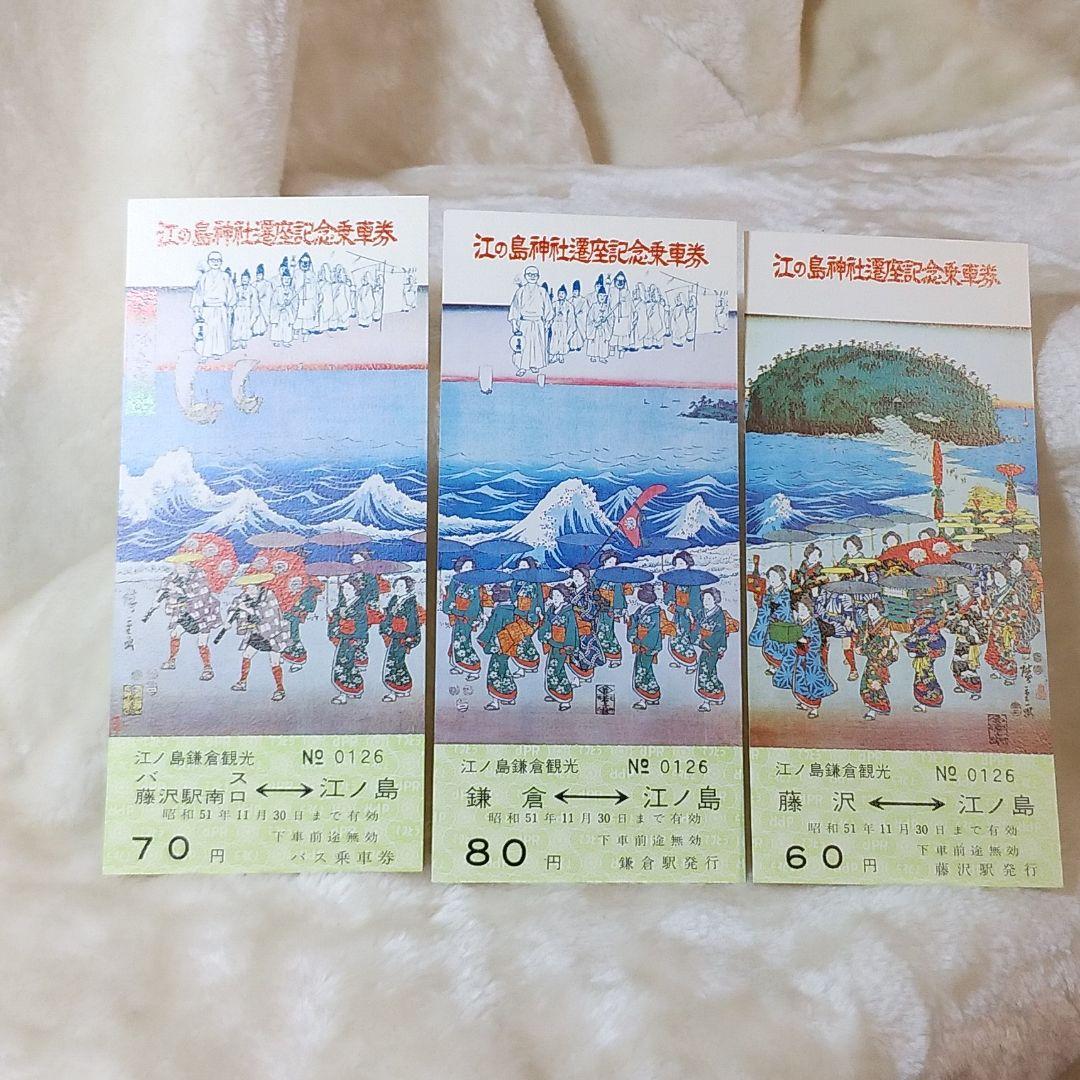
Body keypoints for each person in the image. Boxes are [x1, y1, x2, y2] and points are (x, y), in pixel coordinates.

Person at [155, 554, 222, 682]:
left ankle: (207, 668)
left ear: (189, 565)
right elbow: (164, 587)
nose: (179, 569)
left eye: (182, 566)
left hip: (204, 614)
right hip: (187, 614)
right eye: (177, 566)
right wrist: (158, 599)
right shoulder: (174, 577)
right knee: (175, 633)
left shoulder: (199, 576)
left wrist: (181, 591)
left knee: (202, 643)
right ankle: (172, 660)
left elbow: (201, 595)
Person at [228, 573, 289, 701]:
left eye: (251, 588)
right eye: (247, 588)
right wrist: (229, 620)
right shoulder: (246, 597)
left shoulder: (269, 596)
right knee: (247, 655)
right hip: (257, 633)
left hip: (273, 634)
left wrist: (248, 610)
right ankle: (242, 682)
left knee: (275, 662)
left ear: (258, 587)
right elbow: (235, 605)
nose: (248, 591)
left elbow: (268, 616)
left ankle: (280, 689)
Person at [787, 598, 836, 718]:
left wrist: (805, 641)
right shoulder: (799, 622)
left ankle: (814, 708)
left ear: (809, 610)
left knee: (812, 681)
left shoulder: (813, 623)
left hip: (811, 659)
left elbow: (816, 641)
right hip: (801, 656)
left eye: (804, 609)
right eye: (800, 609)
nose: (801, 611)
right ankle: (804, 703)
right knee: (800, 679)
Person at [853, 599, 898, 719]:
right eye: (868, 610)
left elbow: (884, 643)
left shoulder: (884, 624)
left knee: (873, 683)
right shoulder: (867, 624)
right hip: (871, 658)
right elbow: (862, 637)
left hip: (880, 658)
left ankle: (875, 709)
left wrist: (865, 649)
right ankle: (880, 707)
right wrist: (859, 645)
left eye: (873, 609)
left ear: (879, 610)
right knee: (868, 683)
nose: (870, 612)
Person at [328, 576, 371, 704]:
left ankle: (344, 694)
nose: (345, 591)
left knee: (343, 664)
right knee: (350, 665)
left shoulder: (359, 605)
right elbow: (336, 617)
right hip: (344, 638)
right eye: (344, 589)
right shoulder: (344, 604)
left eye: (349, 589)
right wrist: (332, 614)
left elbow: (362, 624)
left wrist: (357, 640)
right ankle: (356, 689)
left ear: (355, 590)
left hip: (352, 638)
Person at [942, 581, 987, 699]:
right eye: (958, 591)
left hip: (970, 640)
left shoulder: (974, 605)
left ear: (968, 591)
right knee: (957, 664)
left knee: (970, 666)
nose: (960, 593)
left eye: (963, 590)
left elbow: (979, 623)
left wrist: (977, 636)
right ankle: (961, 685)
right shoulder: (957, 606)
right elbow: (950, 625)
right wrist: (947, 612)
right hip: (960, 641)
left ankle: (975, 691)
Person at [477, 583, 518, 710]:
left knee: (494, 671)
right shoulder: (512, 609)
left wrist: (484, 634)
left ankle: (496, 701)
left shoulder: (499, 611)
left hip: (498, 644)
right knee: (504, 669)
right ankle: (509, 696)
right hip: (509, 644)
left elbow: (493, 627)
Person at [539, 583, 579, 711]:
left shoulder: (568, 612)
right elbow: (545, 624)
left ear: (564, 597)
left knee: (555, 669)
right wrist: (544, 635)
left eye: (558, 595)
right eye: (554, 595)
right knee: (555, 669)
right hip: (552, 643)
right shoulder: (551, 609)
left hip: (562, 645)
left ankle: (565, 699)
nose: (555, 598)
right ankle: (556, 693)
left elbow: (571, 629)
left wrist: (568, 646)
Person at [442, 555, 483, 679]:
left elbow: (476, 602)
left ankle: (474, 669)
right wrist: (450, 607)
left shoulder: (475, 584)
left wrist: (468, 615)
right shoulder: (455, 581)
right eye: (466, 567)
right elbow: (450, 596)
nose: (468, 569)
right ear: (460, 568)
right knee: (456, 639)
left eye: (470, 567)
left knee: (464, 641)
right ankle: (458, 665)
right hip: (456, 614)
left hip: (467, 617)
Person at [381, 576, 421, 701]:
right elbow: (389, 614)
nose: (398, 588)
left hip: (403, 635)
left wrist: (409, 636)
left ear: (408, 588)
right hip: (394, 634)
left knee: (394, 661)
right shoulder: (394, 599)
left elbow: (412, 621)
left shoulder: (410, 602)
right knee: (398, 661)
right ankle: (404, 687)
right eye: (396, 585)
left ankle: (393, 691)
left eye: (401, 586)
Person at [508, 265, 553, 375]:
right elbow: (515, 308)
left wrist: (547, 322)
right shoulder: (521, 291)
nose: (532, 277)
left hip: (538, 322)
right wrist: (514, 324)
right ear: (525, 276)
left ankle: (534, 365)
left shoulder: (542, 291)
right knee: (524, 346)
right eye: (530, 274)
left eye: (535, 275)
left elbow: (548, 308)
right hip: (525, 323)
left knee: (537, 345)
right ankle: (522, 367)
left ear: (538, 276)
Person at [747, 565, 792, 675]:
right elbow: (763, 607)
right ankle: (773, 665)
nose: (772, 579)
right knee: (768, 646)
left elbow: (785, 609)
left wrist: (774, 615)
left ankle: (780, 666)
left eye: (774, 576)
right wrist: (759, 601)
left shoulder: (786, 593)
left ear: (781, 577)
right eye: (770, 576)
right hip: (769, 624)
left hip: (782, 624)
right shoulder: (768, 592)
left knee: (779, 646)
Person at [190, 250, 236, 358]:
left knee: (220, 331)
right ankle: (205, 354)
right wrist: (197, 308)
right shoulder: (204, 277)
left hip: (221, 308)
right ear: (208, 262)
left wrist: (230, 306)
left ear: (221, 262)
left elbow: (231, 292)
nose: (215, 262)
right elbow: (198, 293)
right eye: (213, 260)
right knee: (207, 331)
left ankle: (218, 352)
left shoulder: (225, 276)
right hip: (207, 309)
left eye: (218, 260)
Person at [663, 551, 703, 672]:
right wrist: (668, 593)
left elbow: (696, 600)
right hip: (678, 613)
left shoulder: (693, 581)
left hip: (688, 614)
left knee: (685, 638)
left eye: (681, 563)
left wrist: (691, 611)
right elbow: (668, 598)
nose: (678, 566)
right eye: (676, 564)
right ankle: (680, 661)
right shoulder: (674, 580)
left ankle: (691, 664)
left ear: (687, 564)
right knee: (675, 636)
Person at [984, 567, 1024, 686]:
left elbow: (1015, 610)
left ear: (1006, 578)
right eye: (996, 578)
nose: (998, 580)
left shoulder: (1011, 593)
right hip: (995, 628)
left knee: (1006, 651)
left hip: (1006, 628)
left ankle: (1010, 676)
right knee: (994, 651)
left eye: (1000, 577)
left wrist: (999, 614)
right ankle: (997, 671)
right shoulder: (994, 592)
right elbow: (988, 605)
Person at [566, 564, 604, 684]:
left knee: (586, 652)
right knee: (573, 653)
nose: (575, 578)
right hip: (572, 627)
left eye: (578, 575)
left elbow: (592, 611)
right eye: (574, 575)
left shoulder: (589, 592)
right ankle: (577, 677)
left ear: (585, 577)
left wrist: (578, 610)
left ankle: (586, 676)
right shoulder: (571, 591)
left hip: (584, 627)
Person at [693, 589, 729, 710]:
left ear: (715, 599)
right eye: (704, 599)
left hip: (714, 646)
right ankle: (718, 694)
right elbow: (696, 626)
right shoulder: (701, 612)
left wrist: (707, 642)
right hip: (704, 645)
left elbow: (719, 633)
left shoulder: (719, 615)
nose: (706, 602)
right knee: (710, 671)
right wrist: (697, 637)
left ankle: (706, 701)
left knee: (705, 671)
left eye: (709, 599)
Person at [627, 584, 663, 709]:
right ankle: (653, 696)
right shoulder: (642, 609)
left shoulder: (654, 613)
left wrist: (642, 643)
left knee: (642, 671)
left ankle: (644, 700)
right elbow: (634, 620)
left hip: (647, 646)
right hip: (641, 643)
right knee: (647, 670)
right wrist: (629, 619)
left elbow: (654, 632)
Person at [595, 550, 632, 666]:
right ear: (604, 562)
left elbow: (619, 595)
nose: (612, 565)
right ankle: (603, 655)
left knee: (607, 632)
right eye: (610, 562)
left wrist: (620, 610)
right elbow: (592, 587)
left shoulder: (616, 578)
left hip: (609, 609)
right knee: (598, 631)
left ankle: (615, 655)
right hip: (597, 607)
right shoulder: (598, 574)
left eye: (614, 563)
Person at [903, 612, 946, 711]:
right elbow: (909, 641)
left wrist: (923, 651)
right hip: (920, 658)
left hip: (926, 659)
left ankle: (931, 700)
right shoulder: (919, 630)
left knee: (925, 678)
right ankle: (923, 702)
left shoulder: (931, 631)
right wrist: (912, 648)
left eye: (921, 619)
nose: (918, 622)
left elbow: (939, 646)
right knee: (920, 678)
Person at [508, 558, 545, 674]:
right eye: (520, 566)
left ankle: (529, 664)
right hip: (519, 613)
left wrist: (540, 610)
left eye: (524, 566)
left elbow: (539, 596)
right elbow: (511, 592)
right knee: (521, 639)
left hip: (531, 614)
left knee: (524, 638)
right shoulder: (516, 581)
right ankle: (529, 664)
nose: (522, 568)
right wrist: (514, 601)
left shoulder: (535, 581)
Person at [281, 575, 323, 672]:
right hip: (288, 617)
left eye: (298, 584)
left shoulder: (308, 592)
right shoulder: (288, 591)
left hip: (295, 619)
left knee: (293, 637)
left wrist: (299, 609)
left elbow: (310, 607)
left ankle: (297, 660)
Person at [548, 284, 577, 364]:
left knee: (562, 339)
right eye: (559, 293)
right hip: (555, 324)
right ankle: (554, 355)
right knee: (554, 339)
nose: (561, 295)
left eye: (563, 293)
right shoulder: (554, 304)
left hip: (564, 324)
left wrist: (570, 326)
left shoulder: (569, 305)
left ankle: (561, 355)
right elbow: (550, 314)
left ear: (566, 294)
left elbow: (571, 317)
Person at [293, 251, 320, 337]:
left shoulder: (312, 274)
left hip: (309, 300)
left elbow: (316, 288)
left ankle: (305, 330)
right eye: (303, 262)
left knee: (307, 316)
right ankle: (296, 331)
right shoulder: (296, 273)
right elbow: (293, 286)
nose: (305, 264)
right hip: (298, 299)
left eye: (307, 262)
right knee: (297, 316)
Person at [608, 271, 635, 357]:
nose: (620, 283)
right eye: (618, 281)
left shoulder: (627, 292)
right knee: (613, 337)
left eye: (622, 281)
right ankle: (611, 353)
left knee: (622, 338)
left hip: (624, 319)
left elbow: (631, 305)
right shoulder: (611, 291)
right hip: (614, 318)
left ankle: (621, 354)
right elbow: (608, 302)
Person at [269, 267, 298, 347]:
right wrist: (279, 307)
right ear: (282, 279)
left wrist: (289, 306)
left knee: (287, 327)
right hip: (278, 313)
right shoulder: (277, 290)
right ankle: (277, 340)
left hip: (288, 313)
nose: (286, 280)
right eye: (285, 279)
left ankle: (286, 341)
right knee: (277, 326)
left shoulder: (292, 291)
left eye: (288, 279)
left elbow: (296, 304)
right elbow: (273, 302)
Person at [584, 286, 613, 363]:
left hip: (604, 329)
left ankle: (602, 357)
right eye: (600, 296)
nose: (602, 297)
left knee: (603, 342)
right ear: (597, 296)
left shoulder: (607, 307)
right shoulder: (594, 306)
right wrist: (594, 323)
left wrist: (606, 320)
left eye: (604, 296)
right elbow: (589, 318)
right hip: (595, 329)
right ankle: (593, 356)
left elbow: (611, 318)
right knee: (594, 342)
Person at [231, 269, 257, 345]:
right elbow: (233, 299)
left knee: (246, 325)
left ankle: (244, 341)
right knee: (237, 324)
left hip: (247, 309)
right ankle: (236, 341)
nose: (244, 280)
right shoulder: (238, 289)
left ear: (249, 279)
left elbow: (254, 301)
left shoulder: (252, 289)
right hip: (238, 309)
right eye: (243, 278)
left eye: (246, 278)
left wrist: (253, 311)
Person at [252, 263, 271, 336]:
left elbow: (269, 295)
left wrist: (262, 300)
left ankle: (262, 330)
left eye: (260, 275)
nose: (258, 276)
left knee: (262, 317)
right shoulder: (253, 284)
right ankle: (255, 331)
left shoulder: (267, 284)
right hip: (255, 303)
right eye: (257, 275)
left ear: (263, 275)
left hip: (263, 304)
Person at [331, 264, 353, 330]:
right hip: (335, 303)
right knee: (335, 314)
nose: (339, 277)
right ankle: (334, 326)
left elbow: (348, 296)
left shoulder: (345, 286)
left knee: (343, 312)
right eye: (338, 276)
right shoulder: (334, 285)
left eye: (340, 276)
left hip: (343, 302)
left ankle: (343, 325)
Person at [568, 279, 586, 351]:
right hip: (572, 319)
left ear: (579, 291)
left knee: (578, 333)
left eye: (576, 291)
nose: (575, 293)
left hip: (579, 320)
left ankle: (579, 346)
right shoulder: (570, 300)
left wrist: (578, 315)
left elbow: (584, 311)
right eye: (573, 291)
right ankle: (572, 346)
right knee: (572, 332)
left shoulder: (583, 300)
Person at [317, 264, 335, 332]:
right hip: (318, 302)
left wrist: (321, 300)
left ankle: (323, 327)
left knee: (322, 315)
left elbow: (328, 296)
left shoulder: (328, 284)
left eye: (323, 271)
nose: (321, 273)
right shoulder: (318, 283)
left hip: (324, 303)